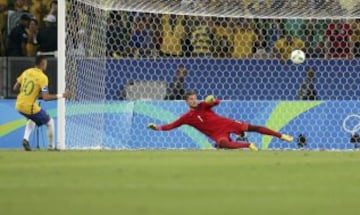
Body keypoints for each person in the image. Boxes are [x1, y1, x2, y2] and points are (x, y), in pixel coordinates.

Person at [148, 91, 293, 150]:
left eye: (194, 98)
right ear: (186, 102)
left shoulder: (203, 105)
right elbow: (172, 125)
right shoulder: (187, 117)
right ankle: (248, 144)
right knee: (223, 144)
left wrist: (213, 99)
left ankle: (282, 136)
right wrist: (158, 128)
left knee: (254, 127)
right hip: (216, 134)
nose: (194, 100)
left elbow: (216, 102)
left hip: (226, 123)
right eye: (191, 99)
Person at [13, 55, 69, 151]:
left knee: (32, 119)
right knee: (50, 122)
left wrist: (29, 94)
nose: (46, 65)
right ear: (42, 64)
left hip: (18, 104)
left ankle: (25, 139)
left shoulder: (27, 72)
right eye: (45, 63)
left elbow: (15, 88)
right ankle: (51, 147)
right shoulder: (43, 77)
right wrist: (62, 95)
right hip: (28, 106)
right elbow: (46, 97)